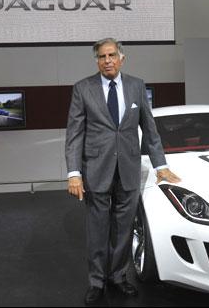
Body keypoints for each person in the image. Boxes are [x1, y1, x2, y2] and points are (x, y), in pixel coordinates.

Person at [65, 38, 181, 305]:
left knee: (124, 229)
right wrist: (74, 173)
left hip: (128, 169)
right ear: (97, 60)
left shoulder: (137, 86)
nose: (107, 60)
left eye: (112, 55)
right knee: (97, 229)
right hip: (96, 169)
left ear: (121, 58)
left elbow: (150, 130)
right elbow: (74, 135)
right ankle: (96, 281)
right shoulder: (83, 89)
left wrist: (161, 166)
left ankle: (117, 276)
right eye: (102, 56)